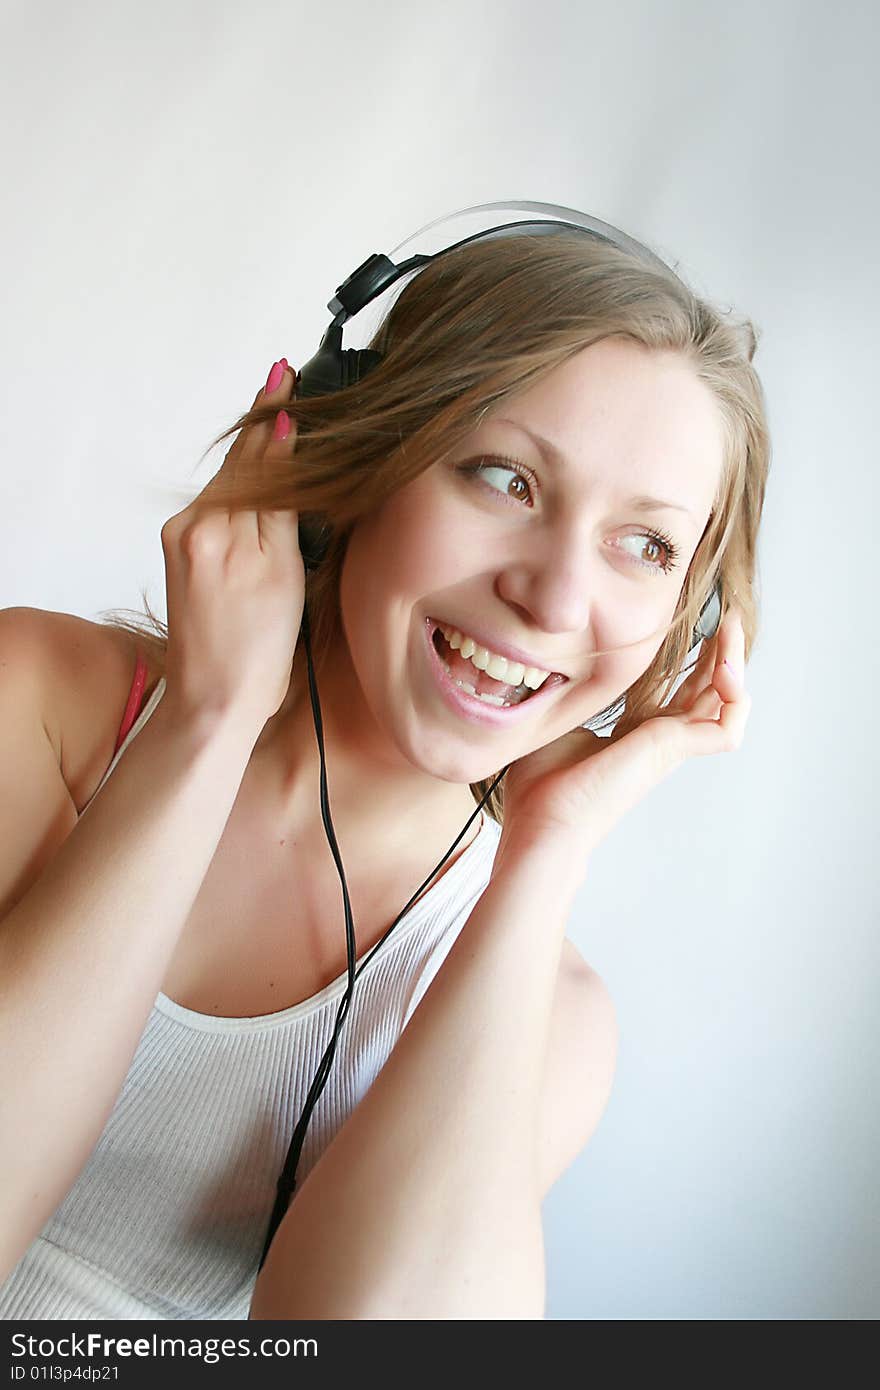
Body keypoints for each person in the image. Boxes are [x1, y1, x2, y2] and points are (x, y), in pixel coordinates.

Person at [0, 230, 768, 1320]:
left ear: (685, 622)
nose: (552, 601)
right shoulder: (35, 704)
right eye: (506, 478)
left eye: (644, 546)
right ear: (361, 455)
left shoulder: (547, 1010)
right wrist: (209, 723)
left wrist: (543, 854)